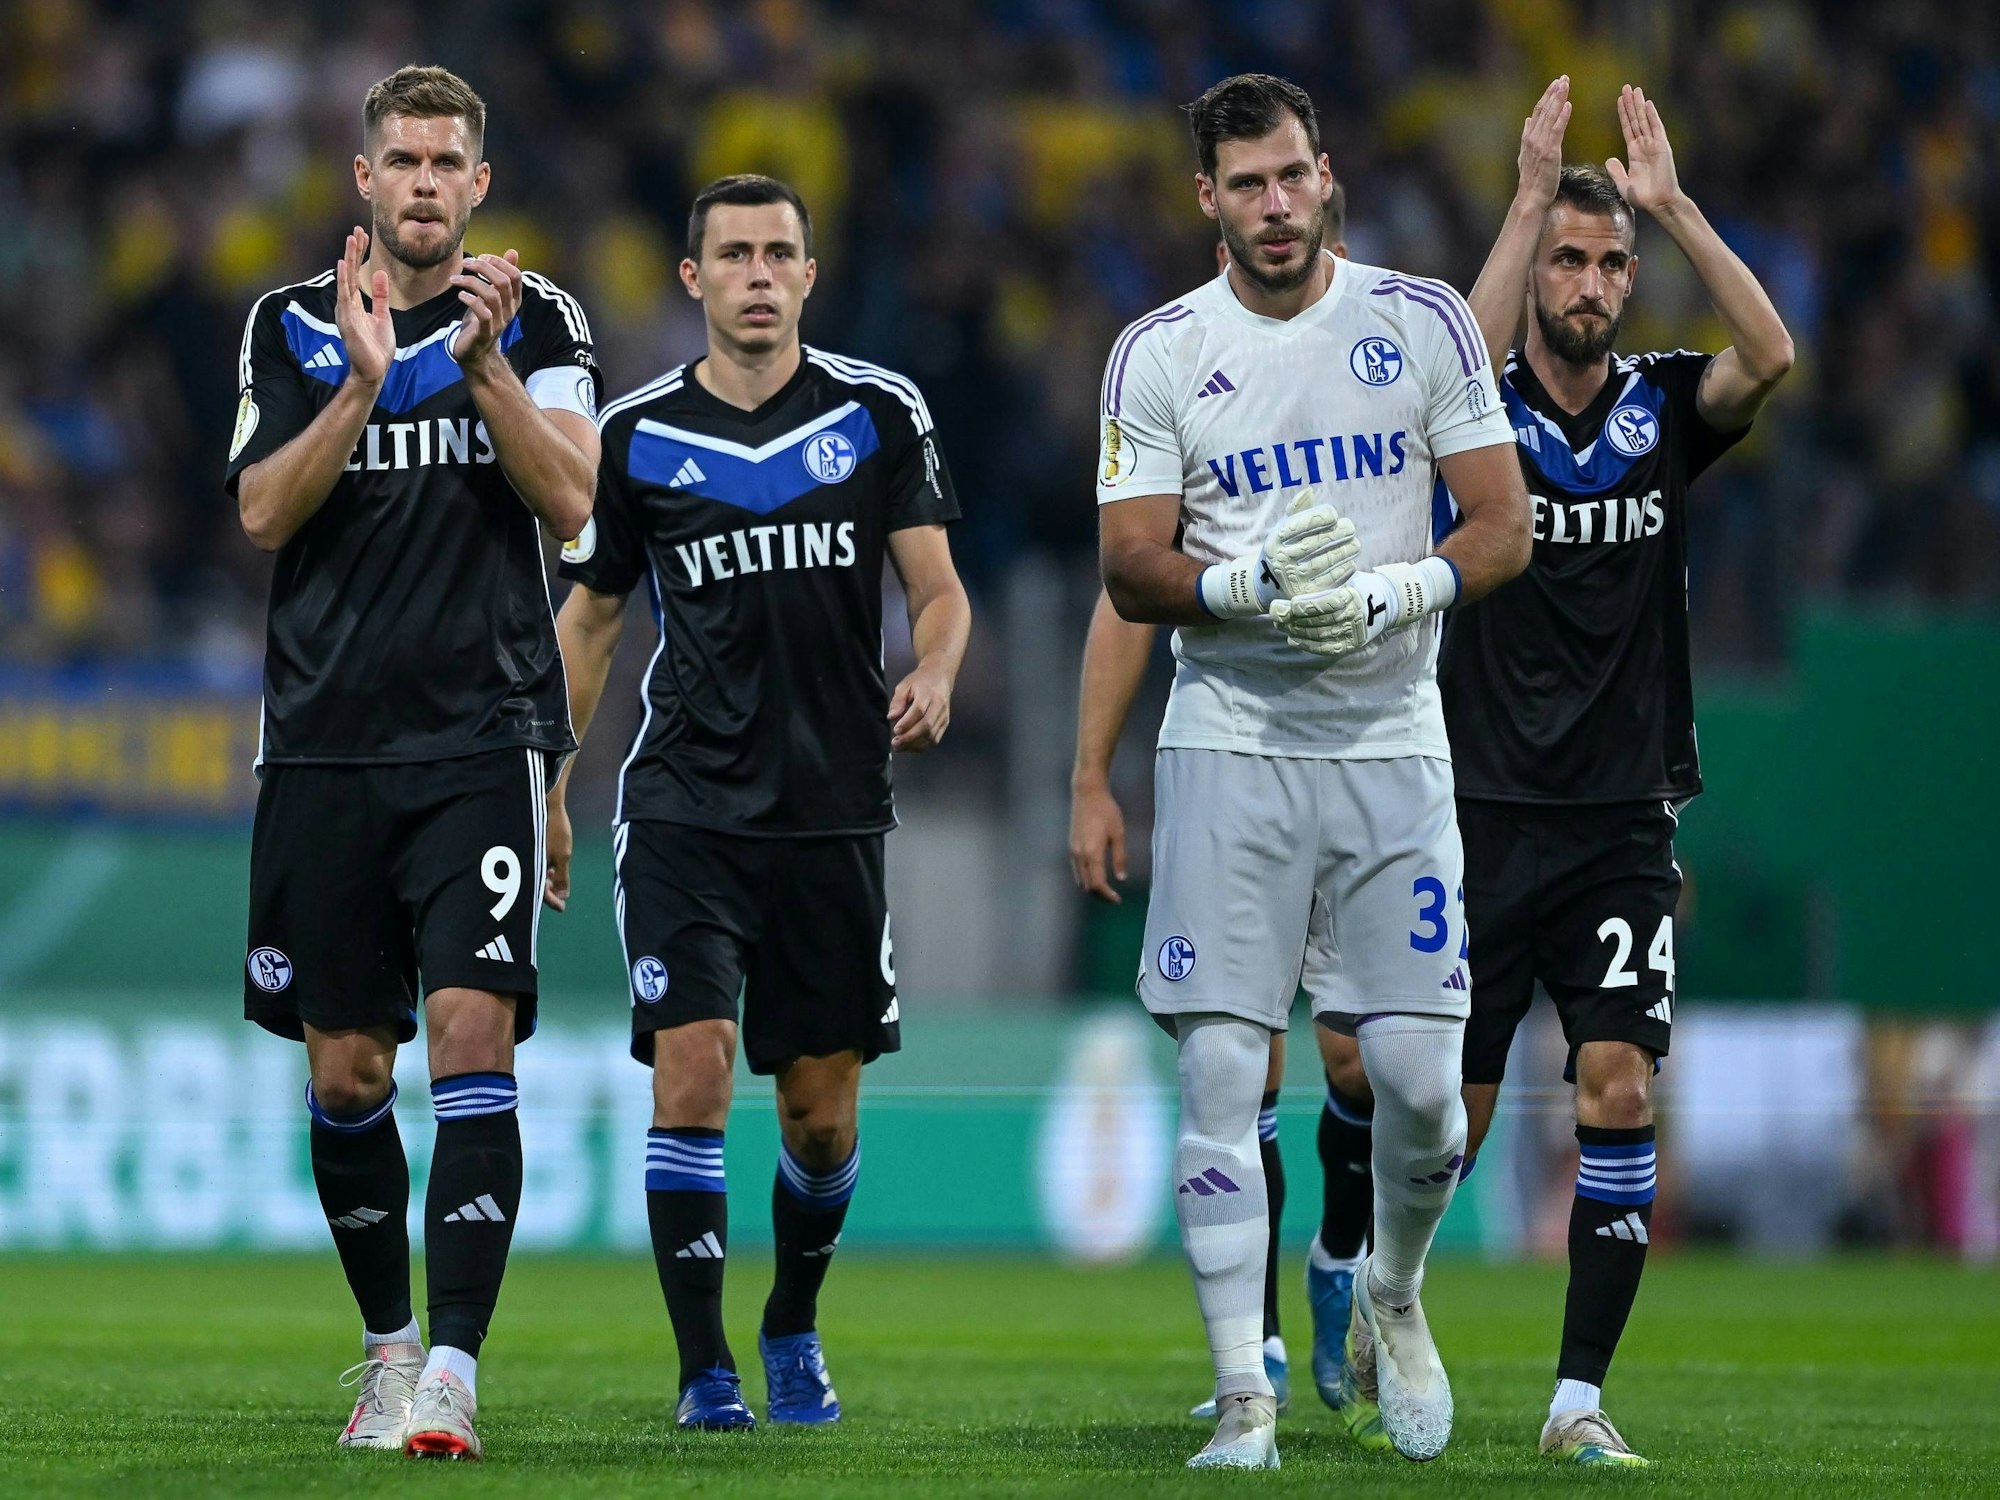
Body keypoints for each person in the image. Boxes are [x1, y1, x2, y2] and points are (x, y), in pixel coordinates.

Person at [1095, 72, 1530, 1468]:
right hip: (1230, 741)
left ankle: (1390, 1289)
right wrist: (1245, 587)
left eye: (1292, 176)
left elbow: (1503, 523)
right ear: (1206, 199)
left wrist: (1398, 592)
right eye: (1247, 185)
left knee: (1420, 1085)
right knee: (1223, 1070)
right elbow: (1129, 564)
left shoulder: (1421, 321)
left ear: (1326, 174)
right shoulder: (1159, 351)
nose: (1275, 205)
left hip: (1392, 743)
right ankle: (1243, 1396)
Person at [544, 174, 971, 1432]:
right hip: (684, 805)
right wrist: (546, 783)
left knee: (818, 1119)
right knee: (692, 1071)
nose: (757, 275)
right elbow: (590, 623)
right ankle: (704, 1371)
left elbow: (938, 590)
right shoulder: (633, 434)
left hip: (833, 809)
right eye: (732, 254)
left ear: (808, 274)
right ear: (693, 278)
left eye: (778, 253)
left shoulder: (877, 413)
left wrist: (937, 669)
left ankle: (790, 1319)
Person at [226, 66, 600, 1459]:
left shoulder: (538, 319)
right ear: (365, 178)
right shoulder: (291, 323)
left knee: (470, 1037)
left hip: (478, 740)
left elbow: (576, 504)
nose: (426, 183)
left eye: (448, 162)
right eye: (404, 160)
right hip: (323, 747)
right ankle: (387, 1350)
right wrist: (364, 386)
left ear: (478, 184)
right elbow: (264, 512)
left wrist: (481, 368)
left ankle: (452, 1370)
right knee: (345, 1075)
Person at [1450, 79, 1794, 1466]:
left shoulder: (1660, 408)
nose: (1589, 285)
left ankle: (1576, 1401)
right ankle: (1385, 1292)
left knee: (1618, 1090)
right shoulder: (1482, 420)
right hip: (1474, 812)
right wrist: (1525, 201)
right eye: (1566, 260)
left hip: (1618, 825)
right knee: (1449, 1121)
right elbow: (1441, 378)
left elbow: (1768, 353)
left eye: (1609, 263)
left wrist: (1675, 208)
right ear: (1535, 272)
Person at [1068, 197, 1389, 1454]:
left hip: (1366, 757)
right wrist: (1089, 776)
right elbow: (1125, 593)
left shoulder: (1384, 375)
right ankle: (1249, 1346)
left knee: (1359, 1060)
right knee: (1236, 1058)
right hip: (1234, 761)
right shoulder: (1182, 385)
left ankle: (1341, 1251)